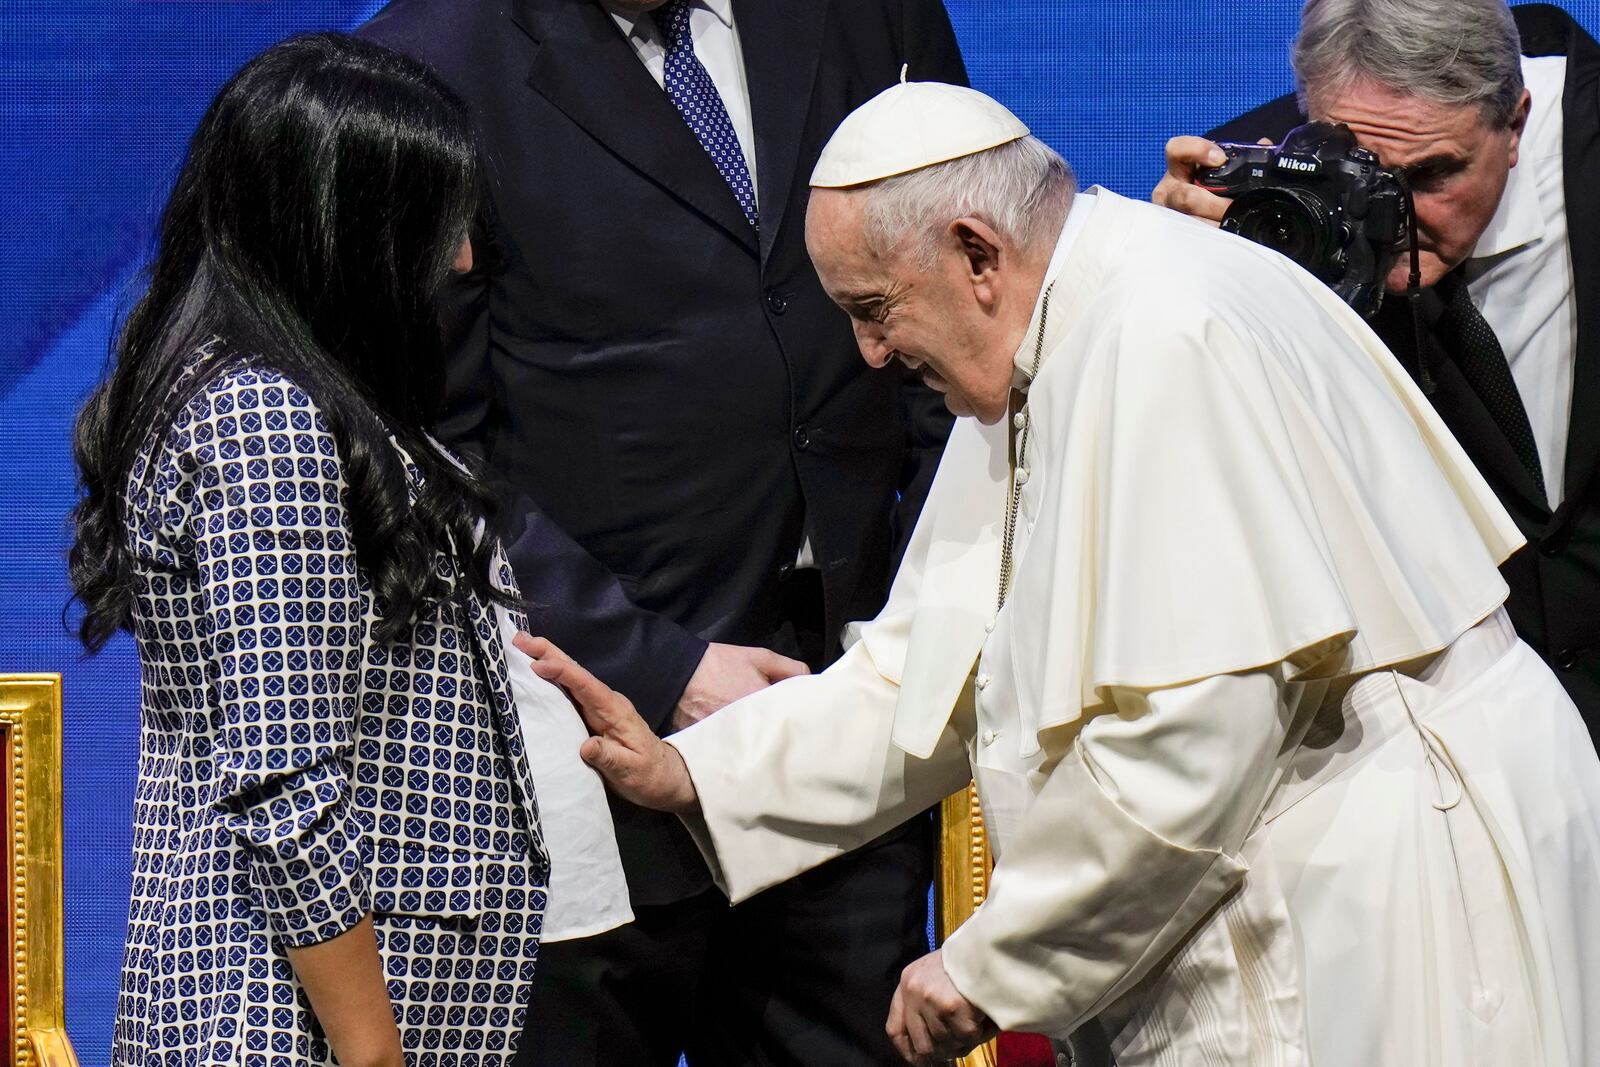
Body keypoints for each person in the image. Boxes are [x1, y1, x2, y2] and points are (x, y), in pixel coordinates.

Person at [522, 82, 1600, 1066]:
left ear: (975, 253)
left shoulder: (1160, 338)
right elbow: (928, 662)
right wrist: (700, 773)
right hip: (1303, 848)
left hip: (1393, 870)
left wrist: (993, 962)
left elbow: (1190, 742)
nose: (870, 357)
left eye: (872, 309)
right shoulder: (1052, 335)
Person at [358, 1, 966, 1064]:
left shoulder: (868, 12)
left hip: (845, 692)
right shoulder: (429, 61)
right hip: (583, 718)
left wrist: (933, 597)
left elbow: (955, 301)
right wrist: (661, 663)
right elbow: (428, 440)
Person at [70, 34, 549, 1067]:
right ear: (341, 230)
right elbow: (284, 777)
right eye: (434, 222)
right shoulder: (263, 415)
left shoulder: (271, 388)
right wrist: (370, 1045)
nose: (463, 260)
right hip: (290, 1023)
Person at [1152, 0, 1600, 738]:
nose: (1392, 215)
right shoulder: (1252, 198)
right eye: (1366, 174)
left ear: (1515, 125)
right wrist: (1180, 284)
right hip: (1445, 749)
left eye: (1431, 175)